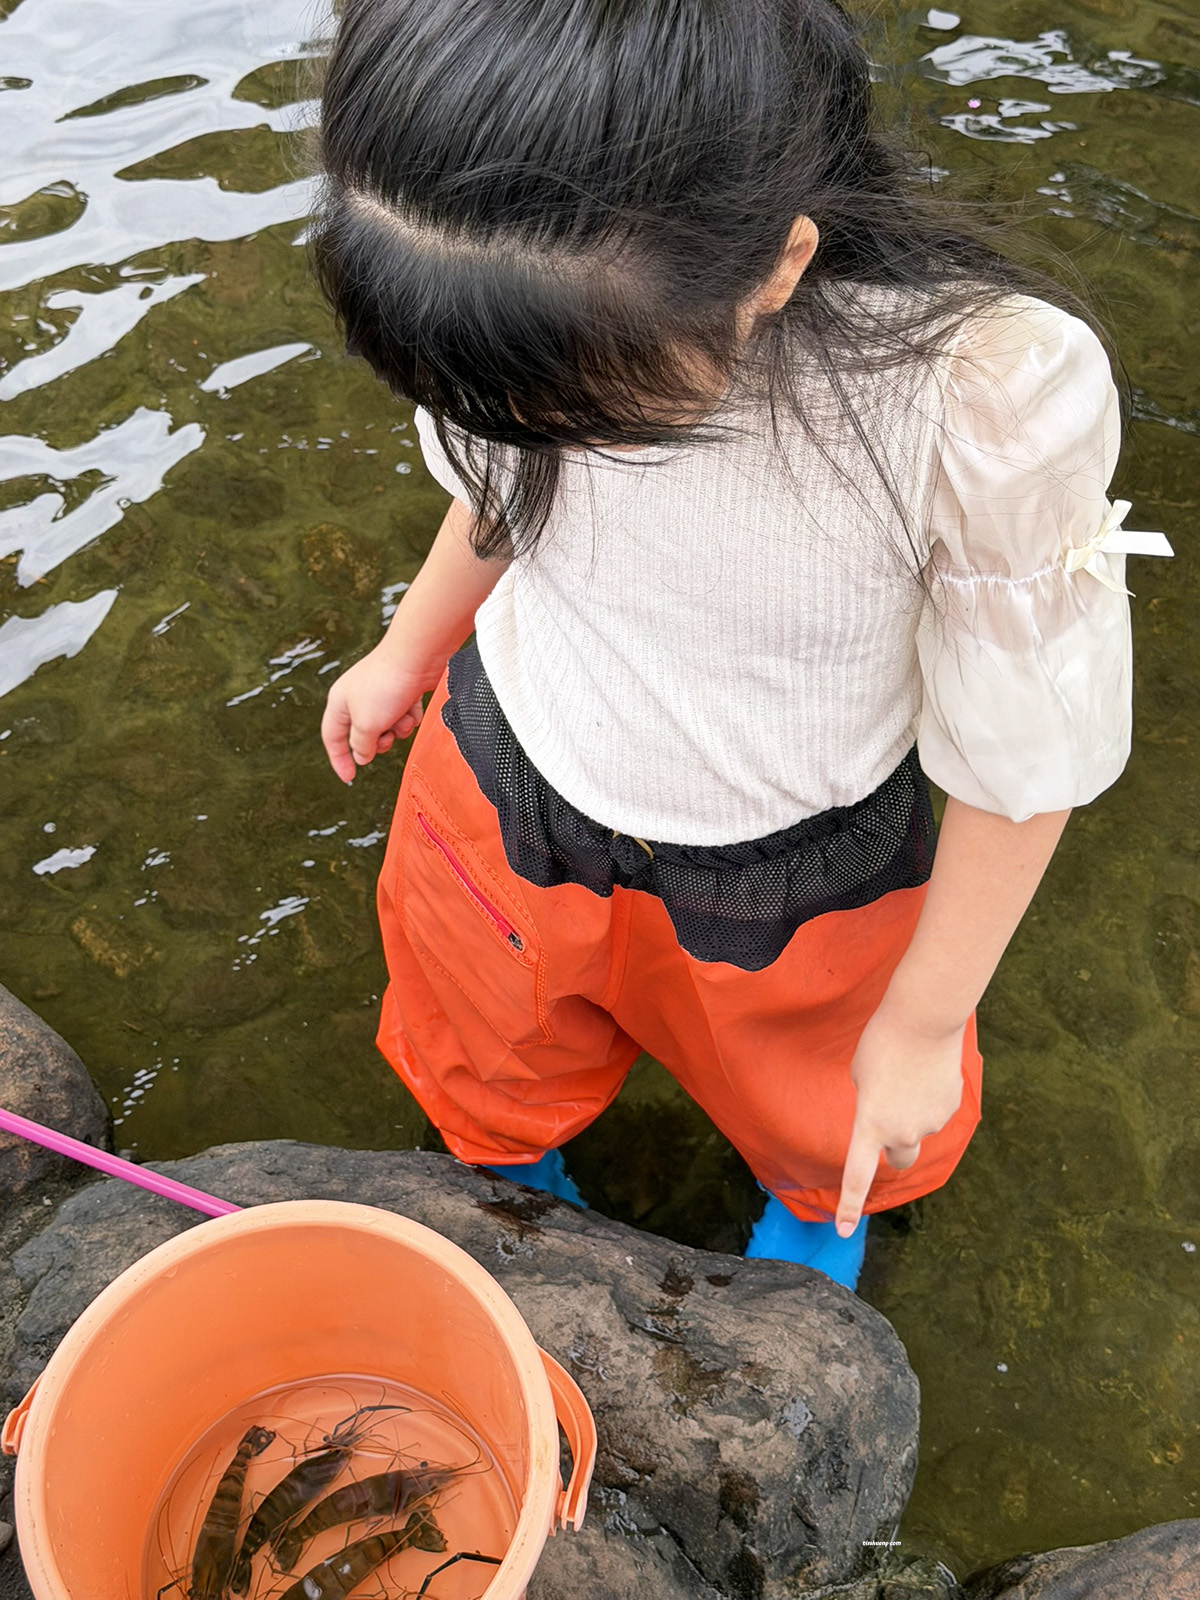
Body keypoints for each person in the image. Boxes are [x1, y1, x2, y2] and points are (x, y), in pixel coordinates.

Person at [310, 0, 1166, 1289]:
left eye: (584, 411)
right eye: (485, 400)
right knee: (487, 1043)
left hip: (791, 855)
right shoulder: (494, 294)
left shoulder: (975, 396)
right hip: (507, 770)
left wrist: (927, 1021)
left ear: (777, 264)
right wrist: (408, 649)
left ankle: (818, 1204)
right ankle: (517, 1181)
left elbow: (1022, 752)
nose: (531, 435)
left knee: (830, 1104)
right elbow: (498, 491)